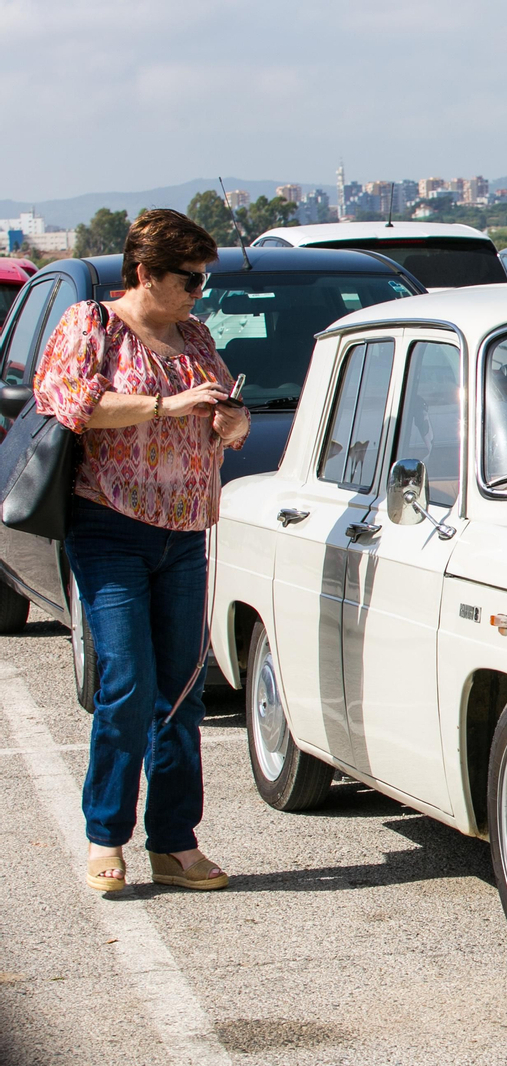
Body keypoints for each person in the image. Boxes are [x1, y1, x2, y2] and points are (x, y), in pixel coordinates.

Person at [34, 209, 250, 892]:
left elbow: (225, 418)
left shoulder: (194, 335)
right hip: (111, 527)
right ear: (145, 272)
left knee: (182, 692)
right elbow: (70, 403)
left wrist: (231, 417)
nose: (198, 292)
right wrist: (165, 404)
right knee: (126, 685)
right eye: (188, 279)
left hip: (184, 533)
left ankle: (175, 841)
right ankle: (105, 836)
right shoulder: (91, 326)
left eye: (203, 279)